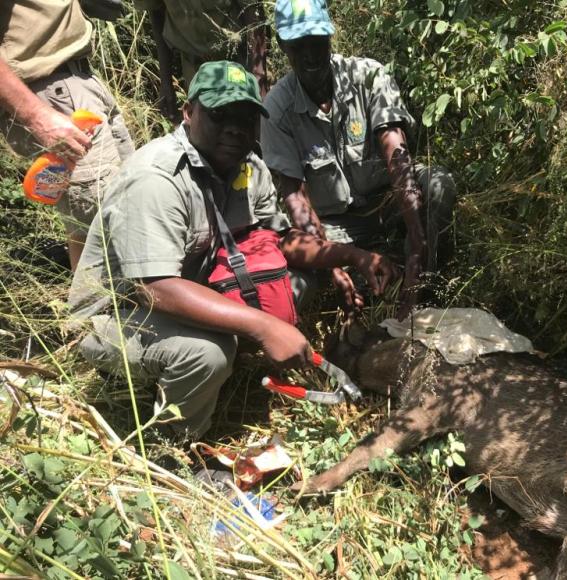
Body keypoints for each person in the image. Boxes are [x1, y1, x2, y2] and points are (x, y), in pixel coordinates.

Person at [68, 61, 395, 440]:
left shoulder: (248, 167)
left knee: (300, 281)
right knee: (208, 352)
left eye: (246, 117)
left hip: (190, 286)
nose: (235, 129)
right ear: (189, 113)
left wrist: (352, 256)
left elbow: (277, 241)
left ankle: (225, 365)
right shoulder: (156, 179)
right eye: (220, 114)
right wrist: (262, 327)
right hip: (118, 314)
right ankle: (175, 445)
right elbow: (154, 288)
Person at [260, 0, 457, 319]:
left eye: (316, 42)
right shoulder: (277, 110)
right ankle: (366, 279)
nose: (310, 55)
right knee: (297, 257)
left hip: (388, 201)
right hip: (336, 224)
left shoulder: (367, 75)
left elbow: (397, 153)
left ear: (330, 37)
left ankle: (427, 280)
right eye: (299, 46)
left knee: (438, 185)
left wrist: (418, 243)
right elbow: (296, 198)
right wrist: (333, 266)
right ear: (283, 46)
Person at [0, 0, 135, 271]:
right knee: (97, 223)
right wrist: (37, 116)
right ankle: (95, 309)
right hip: (49, 94)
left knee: (126, 202)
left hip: (81, 81)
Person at [135, 0, 272, 119]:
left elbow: (253, 12)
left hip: (238, 60)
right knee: (208, 131)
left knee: (246, 125)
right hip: (194, 67)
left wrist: (258, 78)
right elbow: (156, 13)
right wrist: (166, 82)